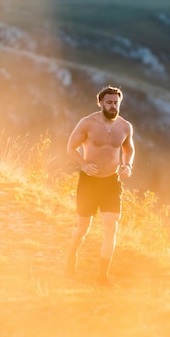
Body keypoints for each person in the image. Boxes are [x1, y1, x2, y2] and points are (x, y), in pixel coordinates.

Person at [65, 85, 135, 286]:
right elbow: (71, 148)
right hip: (89, 182)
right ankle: (72, 255)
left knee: (110, 227)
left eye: (116, 103)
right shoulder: (87, 123)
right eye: (109, 102)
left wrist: (127, 165)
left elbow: (129, 149)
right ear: (101, 103)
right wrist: (84, 165)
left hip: (112, 182)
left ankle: (103, 276)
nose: (113, 106)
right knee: (82, 228)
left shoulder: (125, 127)